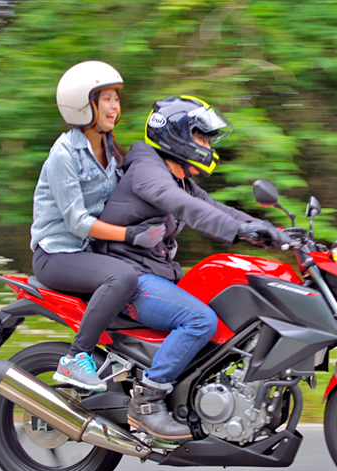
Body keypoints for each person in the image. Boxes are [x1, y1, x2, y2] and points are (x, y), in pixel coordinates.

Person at [93, 95, 289, 440]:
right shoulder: (147, 171)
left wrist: (276, 233)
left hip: (155, 271)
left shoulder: (177, 175)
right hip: (131, 278)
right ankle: (148, 401)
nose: (207, 145)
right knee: (199, 319)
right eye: (202, 137)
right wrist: (240, 231)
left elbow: (217, 208)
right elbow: (183, 207)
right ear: (176, 135)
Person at [30, 61, 166, 392]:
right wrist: (130, 235)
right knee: (122, 277)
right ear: (82, 104)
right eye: (105, 98)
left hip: (89, 252)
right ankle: (76, 358)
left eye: (116, 99)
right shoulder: (64, 154)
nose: (115, 106)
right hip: (58, 253)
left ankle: (127, 359)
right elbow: (77, 222)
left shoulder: (110, 149)